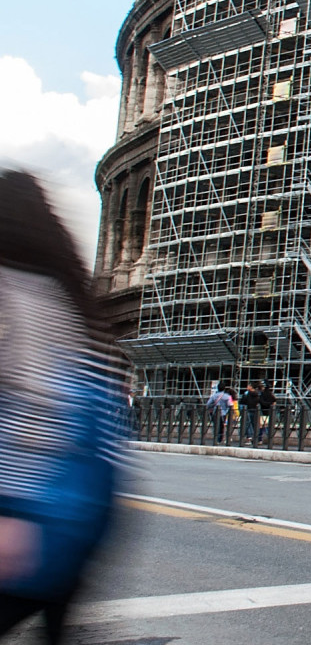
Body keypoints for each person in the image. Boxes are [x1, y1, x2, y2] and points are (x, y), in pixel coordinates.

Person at [0, 169, 127, 644]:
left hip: (35, 513)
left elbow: (39, 404)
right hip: (85, 509)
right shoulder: (70, 297)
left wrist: (12, 515)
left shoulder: (17, 293)